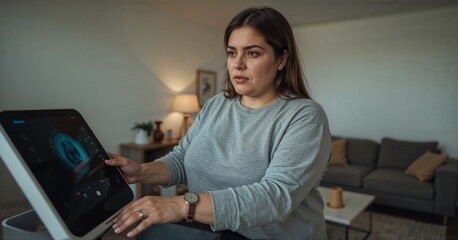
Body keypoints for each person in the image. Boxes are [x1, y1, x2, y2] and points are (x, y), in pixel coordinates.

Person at [106, 7, 331, 240]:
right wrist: (141, 171)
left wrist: (182, 205)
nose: (238, 64)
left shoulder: (305, 116)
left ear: (282, 59)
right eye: (232, 53)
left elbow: (275, 197)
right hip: (212, 229)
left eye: (252, 53)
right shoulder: (217, 104)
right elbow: (183, 158)